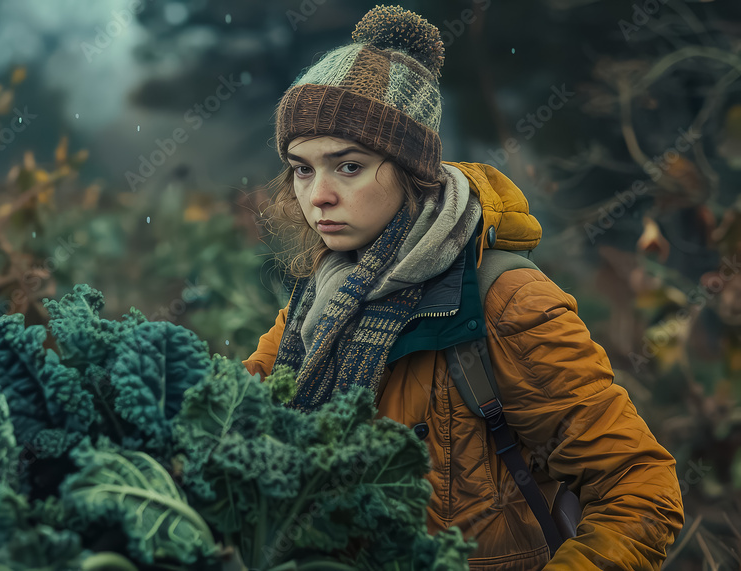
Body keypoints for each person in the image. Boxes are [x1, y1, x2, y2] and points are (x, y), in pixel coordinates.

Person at [242, 5, 684, 570]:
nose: (318, 194)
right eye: (302, 168)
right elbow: (236, 429)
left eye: (347, 166)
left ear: (410, 169)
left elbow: (640, 489)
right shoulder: (315, 302)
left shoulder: (505, 300)